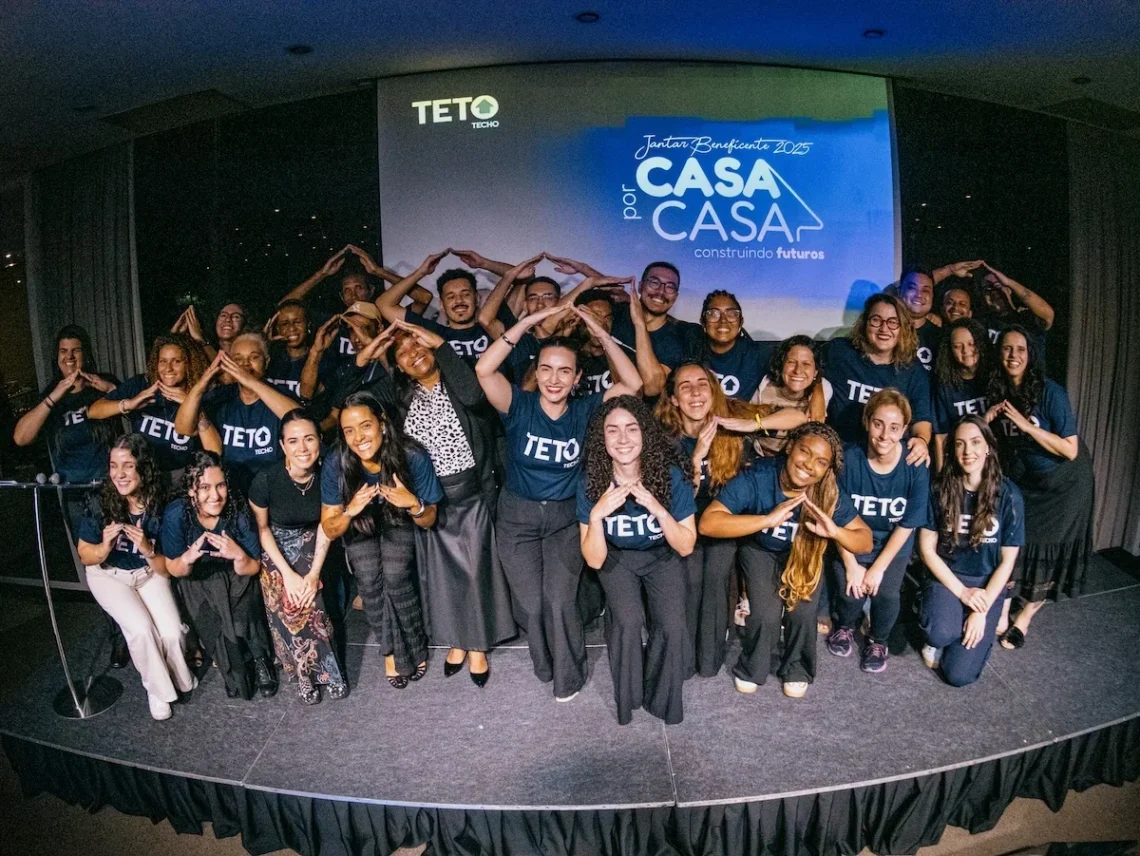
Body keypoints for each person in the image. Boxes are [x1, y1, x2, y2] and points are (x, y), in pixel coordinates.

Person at [474, 303, 642, 701]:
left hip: (567, 517)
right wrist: (528, 323)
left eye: (564, 370)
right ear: (537, 371)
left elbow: (633, 384)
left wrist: (597, 331)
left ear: (577, 377)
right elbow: (484, 370)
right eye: (546, 368)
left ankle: (570, 675)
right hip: (517, 517)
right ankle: (544, 663)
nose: (554, 378)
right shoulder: (519, 405)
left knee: (560, 600)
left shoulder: (586, 410)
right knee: (532, 605)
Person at [699, 423, 872, 698]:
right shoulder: (760, 475)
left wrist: (836, 532)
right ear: (790, 447)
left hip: (802, 553)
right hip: (760, 550)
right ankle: (752, 667)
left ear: (827, 469)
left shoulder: (828, 491)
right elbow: (708, 522)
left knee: (803, 613)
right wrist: (766, 520)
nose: (809, 465)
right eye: (805, 452)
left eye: (820, 462)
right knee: (766, 615)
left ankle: (796, 668)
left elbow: (865, 539)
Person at [385, 319, 514, 685]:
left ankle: (476, 646)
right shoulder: (402, 396)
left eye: (418, 345)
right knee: (442, 576)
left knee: (474, 571)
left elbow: (475, 396)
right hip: (428, 497)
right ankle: (457, 640)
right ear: (398, 365)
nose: (413, 355)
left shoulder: (459, 384)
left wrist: (442, 344)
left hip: (469, 493)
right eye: (403, 353)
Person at [13, 324, 128, 668]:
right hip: (76, 496)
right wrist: (54, 396)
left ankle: (145, 627)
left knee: (128, 557)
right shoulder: (51, 393)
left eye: (75, 350)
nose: (69, 357)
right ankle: (118, 634)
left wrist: (107, 387)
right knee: (99, 565)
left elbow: (133, 405)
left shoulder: (100, 384)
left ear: (85, 353)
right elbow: (21, 437)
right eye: (63, 352)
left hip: (111, 488)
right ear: (56, 358)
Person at [654, 363, 780, 677]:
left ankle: (708, 658)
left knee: (715, 577)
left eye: (703, 384)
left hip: (724, 523)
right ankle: (682, 657)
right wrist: (696, 458)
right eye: (685, 386)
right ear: (673, 399)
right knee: (690, 580)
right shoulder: (662, 435)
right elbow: (673, 502)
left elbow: (798, 418)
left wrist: (750, 425)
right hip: (683, 522)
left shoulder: (731, 414)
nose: (696, 392)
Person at [578, 396, 696, 724]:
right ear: (602, 439)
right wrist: (598, 515)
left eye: (632, 428)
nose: (623, 438)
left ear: (645, 433)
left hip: (662, 555)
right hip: (618, 557)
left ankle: (662, 698)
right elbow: (594, 559)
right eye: (612, 430)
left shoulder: (670, 476)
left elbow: (686, 546)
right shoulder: (592, 480)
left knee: (672, 625)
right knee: (627, 621)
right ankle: (629, 697)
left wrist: (658, 509)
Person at [320, 392, 443, 688]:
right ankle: (390, 651)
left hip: (398, 519)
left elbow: (430, 519)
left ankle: (414, 646)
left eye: (365, 426)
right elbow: (330, 528)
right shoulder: (337, 461)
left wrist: (413, 503)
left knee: (396, 576)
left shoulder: (411, 455)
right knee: (368, 579)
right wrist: (351, 510)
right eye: (349, 430)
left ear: (383, 424)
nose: (358, 437)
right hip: (359, 522)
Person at [985, 325, 1093, 647]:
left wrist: (1025, 427)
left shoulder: (1050, 392)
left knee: (1048, 552)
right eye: (1006, 348)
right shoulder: (999, 390)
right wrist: (987, 418)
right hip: (1028, 483)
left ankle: (1024, 618)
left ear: (1031, 355)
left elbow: (1070, 449)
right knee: (1016, 545)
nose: (1013, 355)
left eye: (1020, 349)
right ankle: (1002, 612)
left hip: (1065, 485)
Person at [75, 435, 196, 720]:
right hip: (109, 576)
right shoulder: (99, 501)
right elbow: (84, 555)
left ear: (144, 468)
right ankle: (156, 689)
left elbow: (165, 569)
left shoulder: (163, 504)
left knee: (172, 632)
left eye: (128, 466)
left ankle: (180, 678)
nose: (119, 473)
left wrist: (148, 549)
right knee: (142, 630)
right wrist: (103, 547)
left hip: (149, 572)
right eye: (114, 465)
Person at [248, 409, 348, 704]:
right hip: (275, 547)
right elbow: (263, 530)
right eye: (293, 441)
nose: (302, 448)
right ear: (282, 446)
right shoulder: (266, 479)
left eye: (309, 439)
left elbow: (327, 527)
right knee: (289, 603)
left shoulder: (329, 473)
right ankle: (304, 675)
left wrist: (313, 573)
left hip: (315, 539)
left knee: (311, 598)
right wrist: (288, 575)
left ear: (320, 440)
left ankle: (330, 672)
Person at [827, 389, 930, 673]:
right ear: (866, 421)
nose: (885, 435)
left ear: (905, 430)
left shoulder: (914, 465)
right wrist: (851, 565)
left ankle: (878, 639)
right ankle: (845, 624)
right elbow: (835, 521)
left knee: (885, 594)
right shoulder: (848, 460)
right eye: (878, 424)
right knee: (852, 590)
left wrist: (879, 567)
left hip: (892, 544)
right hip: (853, 541)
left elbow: (908, 524)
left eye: (895, 427)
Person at [162, 451, 278, 699]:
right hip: (198, 580)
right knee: (214, 624)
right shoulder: (176, 514)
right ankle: (233, 668)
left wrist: (238, 555)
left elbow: (254, 566)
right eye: (204, 487)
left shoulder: (237, 510)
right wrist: (187, 559)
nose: (215, 495)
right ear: (192, 490)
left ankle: (260, 659)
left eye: (220, 485)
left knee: (242, 617)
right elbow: (173, 568)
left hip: (235, 575)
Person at [918, 417, 1023, 687]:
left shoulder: (1009, 494)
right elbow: (927, 549)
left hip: (987, 582)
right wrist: (963, 593)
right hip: (948, 576)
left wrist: (982, 608)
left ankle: (969, 625)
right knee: (940, 633)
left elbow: (1008, 561)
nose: (968, 452)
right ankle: (945, 624)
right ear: (952, 449)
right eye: (960, 444)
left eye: (976, 443)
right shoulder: (940, 489)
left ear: (988, 447)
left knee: (958, 676)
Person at [88, 334, 219, 490]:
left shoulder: (202, 395)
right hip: (143, 478)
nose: (168, 368)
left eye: (176, 361)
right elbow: (93, 411)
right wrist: (129, 404)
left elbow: (214, 451)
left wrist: (191, 402)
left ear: (189, 364)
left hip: (183, 481)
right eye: (162, 361)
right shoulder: (142, 385)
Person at [174, 334, 300, 495]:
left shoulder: (280, 396)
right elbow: (183, 428)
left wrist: (250, 382)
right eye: (238, 359)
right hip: (230, 491)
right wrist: (201, 385)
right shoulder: (220, 397)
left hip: (273, 489)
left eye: (253, 357)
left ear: (266, 362)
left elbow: (300, 419)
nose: (245, 364)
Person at [277, 245, 433, 365]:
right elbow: (285, 307)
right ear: (341, 297)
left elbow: (424, 297)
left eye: (359, 288)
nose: (353, 295)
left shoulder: (387, 319)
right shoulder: (334, 323)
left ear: (370, 290)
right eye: (347, 291)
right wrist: (321, 274)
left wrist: (377, 271)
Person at [824, 293, 932, 464]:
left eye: (892, 322)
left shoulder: (913, 370)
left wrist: (921, 440)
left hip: (886, 460)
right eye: (876, 320)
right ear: (865, 323)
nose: (884, 328)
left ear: (903, 328)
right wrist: (816, 394)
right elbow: (810, 375)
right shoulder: (840, 352)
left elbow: (922, 419)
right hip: (837, 455)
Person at [376, 250, 518, 367]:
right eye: (450, 297)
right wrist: (420, 272)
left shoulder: (494, 326)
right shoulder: (433, 333)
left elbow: (523, 275)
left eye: (465, 294)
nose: (459, 300)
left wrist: (484, 263)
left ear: (477, 299)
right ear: (442, 305)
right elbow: (384, 304)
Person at [611, 261, 703, 393]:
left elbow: (651, 388)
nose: (661, 292)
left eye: (670, 287)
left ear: (676, 297)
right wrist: (587, 274)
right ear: (640, 286)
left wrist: (640, 324)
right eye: (654, 282)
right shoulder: (615, 316)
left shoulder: (681, 336)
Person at [751, 335, 830, 456]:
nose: (798, 370)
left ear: (815, 372)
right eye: (792, 362)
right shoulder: (761, 388)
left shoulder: (824, 390)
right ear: (781, 365)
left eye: (806, 364)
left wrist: (818, 391)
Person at [932, 318, 991, 471]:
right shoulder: (944, 386)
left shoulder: (995, 378)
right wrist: (942, 480)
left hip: (994, 461)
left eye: (971, 344)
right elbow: (940, 437)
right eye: (958, 346)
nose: (966, 351)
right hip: (961, 461)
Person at [898, 266, 942, 372]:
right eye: (912, 288)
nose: (919, 295)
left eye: (925, 290)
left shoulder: (941, 338)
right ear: (900, 291)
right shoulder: (886, 332)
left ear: (932, 297)